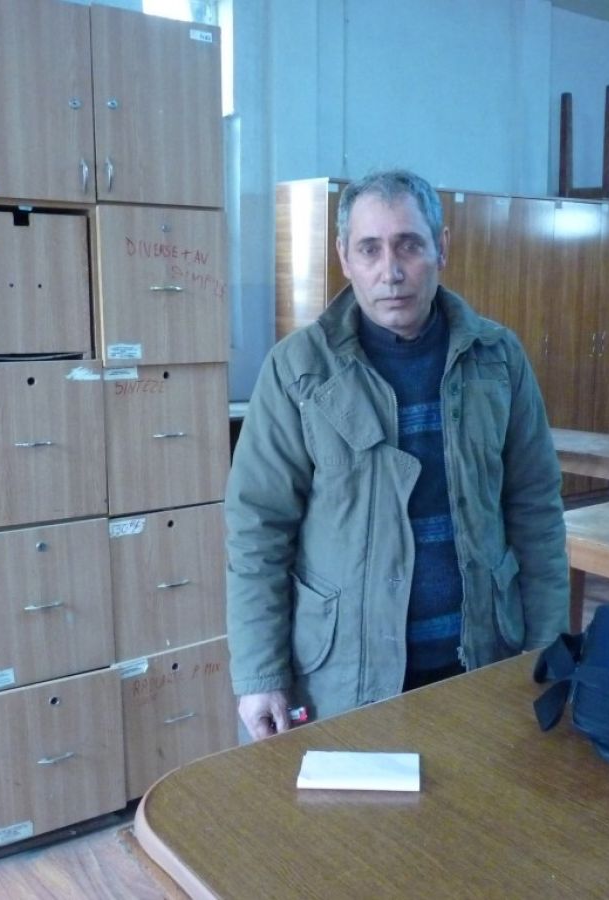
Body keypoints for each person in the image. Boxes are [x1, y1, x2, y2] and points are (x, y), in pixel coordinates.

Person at [225, 168, 568, 741]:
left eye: (409, 244)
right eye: (370, 248)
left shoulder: (497, 359)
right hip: (345, 676)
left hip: (482, 659)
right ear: (344, 257)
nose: (392, 270)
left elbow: (536, 509)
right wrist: (261, 674)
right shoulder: (298, 370)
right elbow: (257, 529)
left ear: (441, 248)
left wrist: (547, 644)